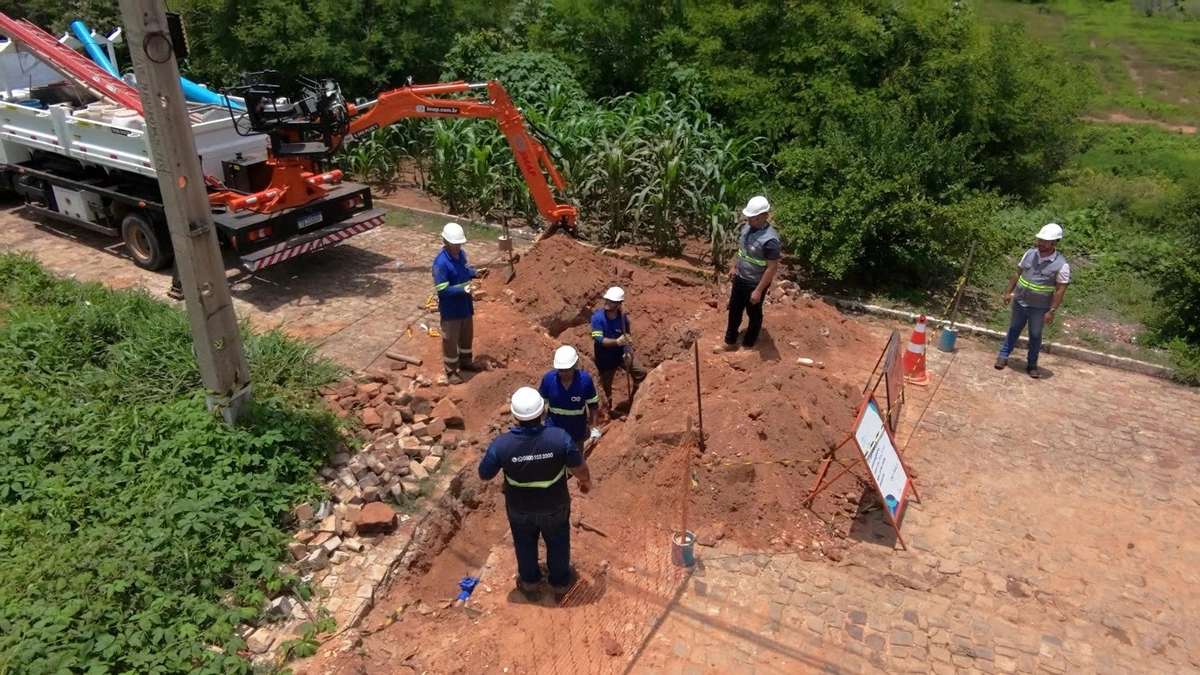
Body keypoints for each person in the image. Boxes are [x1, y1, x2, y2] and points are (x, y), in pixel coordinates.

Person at [479, 387, 593, 603]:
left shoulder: (502, 444)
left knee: (524, 544)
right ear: (542, 413)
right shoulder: (559, 439)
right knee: (558, 543)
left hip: (520, 508)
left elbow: (485, 474)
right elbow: (581, 469)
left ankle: (530, 583)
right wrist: (585, 482)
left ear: (515, 416)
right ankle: (560, 584)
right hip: (555, 506)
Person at [995, 223, 1070, 379]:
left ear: (1055, 243)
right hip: (1020, 300)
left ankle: (1032, 364)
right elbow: (1017, 273)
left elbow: (1061, 290)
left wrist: (1052, 311)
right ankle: (1003, 355)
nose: (1041, 244)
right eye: (1040, 240)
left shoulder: (1061, 265)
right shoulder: (1029, 254)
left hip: (1039, 307)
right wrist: (1008, 292)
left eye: (1045, 241)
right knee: (1014, 328)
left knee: (1035, 335)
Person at [716, 195, 781, 352]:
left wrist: (758, 290)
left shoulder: (770, 241)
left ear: (763, 217)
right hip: (740, 277)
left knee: (754, 313)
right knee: (734, 310)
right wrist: (734, 267)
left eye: (753, 218)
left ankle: (748, 343)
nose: (749, 221)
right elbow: (742, 251)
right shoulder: (748, 228)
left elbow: (771, 268)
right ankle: (730, 341)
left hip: (755, 282)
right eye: (749, 218)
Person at [432, 222, 486, 384]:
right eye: (454, 244)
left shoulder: (461, 255)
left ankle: (466, 362)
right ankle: (451, 371)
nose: (458, 247)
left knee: (466, 338)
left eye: (459, 244)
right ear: (445, 242)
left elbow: (464, 272)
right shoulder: (440, 264)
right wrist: (465, 290)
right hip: (451, 311)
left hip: (465, 307)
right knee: (450, 341)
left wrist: (475, 273)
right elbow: (443, 290)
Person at [590, 286, 648, 416]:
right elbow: (598, 339)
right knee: (606, 388)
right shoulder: (597, 318)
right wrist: (617, 342)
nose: (607, 303)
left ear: (618, 304)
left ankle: (633, 401)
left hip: (620, 355)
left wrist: (627, 351)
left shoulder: (623, 319)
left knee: (641, 373)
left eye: (611, 301)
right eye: (607, 300)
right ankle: (609, 411)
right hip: (604, 358)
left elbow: (627, 338)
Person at [539, 346, 601, 451]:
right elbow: (540, 402)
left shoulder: (585, 381)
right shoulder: (548, 380)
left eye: (567, 370)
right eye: (561, 371)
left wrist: (594, 427)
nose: (564, 374)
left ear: (575, 365)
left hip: (576, 429)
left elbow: (593, 405)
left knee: (575, 458)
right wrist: (542, 421)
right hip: (553, 427)